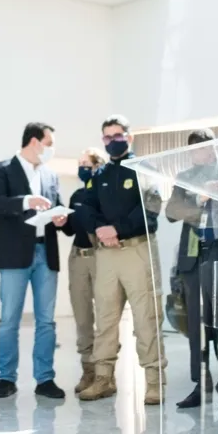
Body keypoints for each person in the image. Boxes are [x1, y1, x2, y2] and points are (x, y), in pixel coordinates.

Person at [78, 114, 166, 405]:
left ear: (129, 137)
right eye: (107, 137)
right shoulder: (100, 175)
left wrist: (117, 229)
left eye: (117, 136)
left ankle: (154, 381)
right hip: (107, 256)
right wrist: (101, 230)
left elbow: (150, 209)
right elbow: (85, 207)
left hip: (137, 252)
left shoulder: (144, 170)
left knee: (146, 318)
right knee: (105, 318)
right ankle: (103, 378)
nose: (112, 141)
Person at [165, 128, 218, 408]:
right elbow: (172, 212)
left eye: (203, 148)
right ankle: (202, 383)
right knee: (198, 324)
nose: (198, 153)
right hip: (194, 255)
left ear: (214, 148)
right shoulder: (185, 178)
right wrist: (200, 200)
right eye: (193, 150)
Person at [0, 122, 67, 400]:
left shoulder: (50, 174)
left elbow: (58, 204)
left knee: (46, 321)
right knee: (10, 319)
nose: (50, 148)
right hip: (14, 255)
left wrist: (60, 217)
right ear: (34, 141)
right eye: (49, 142)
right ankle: (6, 378)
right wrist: (27, 201)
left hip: (46, 252)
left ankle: (45, 379)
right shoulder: (2, 169)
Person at [59, 147, 107, 394]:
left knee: (105, 317)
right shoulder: (77, 194)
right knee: (82, 316)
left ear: (98, 166)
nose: (82, 169)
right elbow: (71, 230)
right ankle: (87, 371)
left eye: (86, 164)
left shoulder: (104, 193)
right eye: (79, 164)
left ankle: (104, 373)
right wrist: (62, 222)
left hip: (100, 257)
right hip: (77, 257)